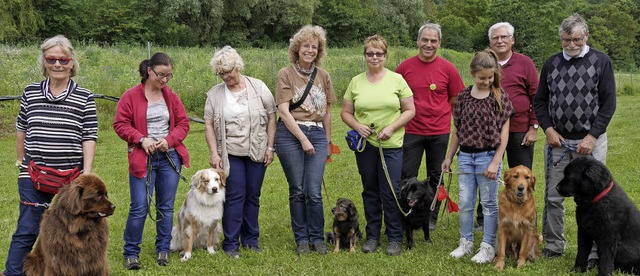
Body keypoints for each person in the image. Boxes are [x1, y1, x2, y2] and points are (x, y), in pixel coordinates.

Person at [3, 35, 98, 276]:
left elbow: (89, 135)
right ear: (44, 61)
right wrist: (20, 161)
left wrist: (86, 174)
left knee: (71, 230)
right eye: (51, 59)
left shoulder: (85, 97)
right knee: (27, 229)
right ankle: (14, 273)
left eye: (63, 60)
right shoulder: (30, 93)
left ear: (71, 62)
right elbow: (21, 129)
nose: (57, 64)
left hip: (71, 180)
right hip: (33, 175)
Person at [533, 14, 616, 264]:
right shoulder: (551, 63)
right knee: (554, 195)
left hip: (591, 142)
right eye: (566, 40)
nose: (571, 45)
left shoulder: (601, 62)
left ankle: (593, 253)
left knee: (595, 197)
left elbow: (608, 105)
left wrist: (592, 136)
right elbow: (540, 101)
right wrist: (547, 129)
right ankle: (554, 244)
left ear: (586, 36)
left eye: (576, 39)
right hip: (558, 142)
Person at [113, 52, 190, 270]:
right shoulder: (130, 96)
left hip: (168, 157)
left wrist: (169, 140)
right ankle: (131, 252)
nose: (164, 80)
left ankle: (163, 249)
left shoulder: (171, 97)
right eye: (161, 75)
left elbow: (183, 124)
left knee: (165, 207)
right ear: (149, 71)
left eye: (169, 76)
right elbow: (120, 124)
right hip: (142, 159)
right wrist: (140, 139)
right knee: (139, 206)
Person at [341, 35, 415, 256]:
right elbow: (345, 112)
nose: (374, 57)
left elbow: (410, 110)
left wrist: (391, 127)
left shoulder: (397, 80)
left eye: (379, 53)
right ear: (364, 56)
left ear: (385, 55)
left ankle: (394, 236)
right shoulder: (356, 81)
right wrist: (358, 125)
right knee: (370, 190)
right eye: (370, 53)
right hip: (366, 145)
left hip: (390, 144)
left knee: (390, 190)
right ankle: (372, 236)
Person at [204, 46, 277, 258]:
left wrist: (270, 147)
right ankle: (231, 243)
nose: (226, 76)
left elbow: (272, 117)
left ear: (238, 67)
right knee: (235, 196)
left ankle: (251, 240)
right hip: (230, 153)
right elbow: (208, 124)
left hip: (257, 149)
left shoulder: (259, 87)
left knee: (253, 196)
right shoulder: (214, 95)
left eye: (229, 71)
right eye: (221, 73)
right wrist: (214, 154)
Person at [442, 49, 513, 264]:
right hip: (465, 156)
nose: (486, 81)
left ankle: (488, 246)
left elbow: (505, 133)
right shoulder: (463, 97)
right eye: (482, 78)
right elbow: (458, 130)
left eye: (490, 77)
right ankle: (466, 242)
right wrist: (449, 157)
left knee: (489, 204)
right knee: (465, 202)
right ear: (472, 74)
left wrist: (496, 161)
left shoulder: (499, 97)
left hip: (488, 156)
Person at [275, 25, 337, 255]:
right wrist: (302, 139)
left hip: (317, 133)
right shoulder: (285, 74)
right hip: (290, 134)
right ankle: (301, 239)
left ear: (319, 51)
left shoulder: (324, 76)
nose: (310, 50)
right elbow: (283, 110)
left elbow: (328, 111)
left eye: (314, 46)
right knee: (297, 189)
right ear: (297, 48)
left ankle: (317, 238)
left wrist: (328, 141)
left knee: (313, 190)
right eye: (306, 45)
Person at [396, 23, 465, 229]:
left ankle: (430, 216)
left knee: (437, 176)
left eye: (433, 41)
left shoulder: (448, 69)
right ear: (417, 41)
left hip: (439, 132)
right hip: (411, 131)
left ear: (439, 43)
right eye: (425, 40)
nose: (428, 44)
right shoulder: (404, 68)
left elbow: (456, 100)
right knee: (407, 175)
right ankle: (407, 213)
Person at [474, 22, 540, 230]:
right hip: (488, 131)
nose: (500, 41)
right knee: (488, 172)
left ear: (512, 40)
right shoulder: (486, 63)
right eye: (495, 38)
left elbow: (537, 96)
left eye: (504, 37)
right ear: (490, 41)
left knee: (520, 174)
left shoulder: (525, 63)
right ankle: (485, 217)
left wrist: (534, 126)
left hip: (520, 130)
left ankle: (523, 216)